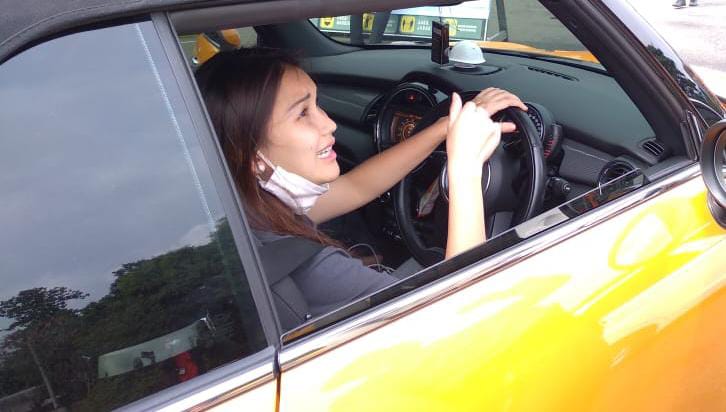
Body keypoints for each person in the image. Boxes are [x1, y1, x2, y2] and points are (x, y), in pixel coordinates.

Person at [195, 48, 525, 327]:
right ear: (254, 158)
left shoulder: (249, 214)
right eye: (302, 114)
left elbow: (355, 187)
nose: (329, 123)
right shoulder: (308, 267)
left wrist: (443, 128)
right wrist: (465, 167)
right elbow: (462, 313)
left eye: (317, 104)